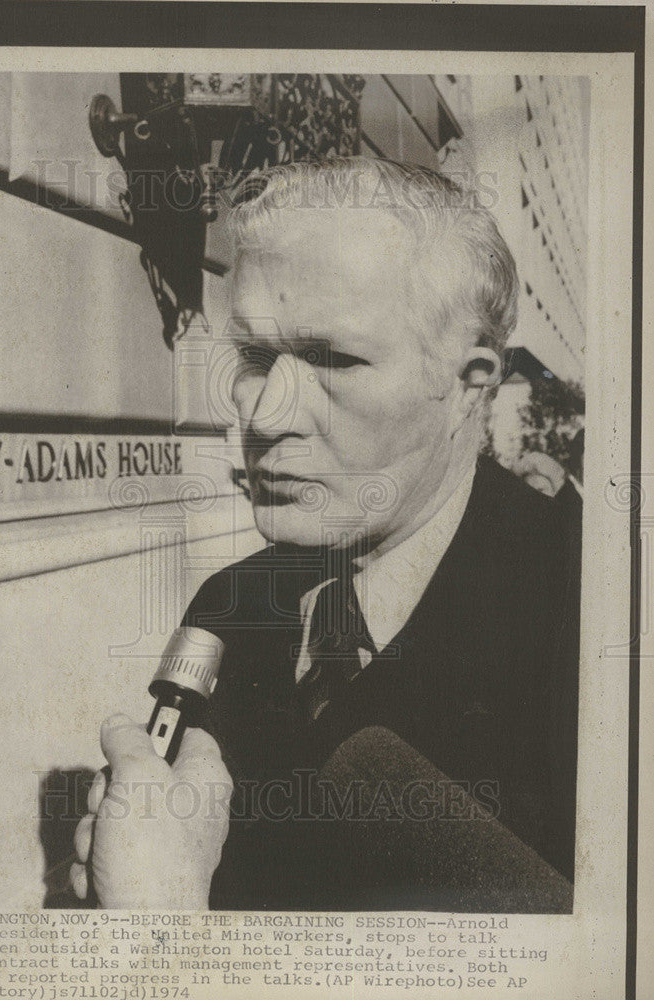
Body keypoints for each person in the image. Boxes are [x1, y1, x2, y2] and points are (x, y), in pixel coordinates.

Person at [71, 158, 581, 913]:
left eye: (330, 358)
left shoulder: (599, 619)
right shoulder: (231, 601)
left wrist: (158, 932)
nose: (263, 415)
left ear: (469, 385)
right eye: (251, 356)